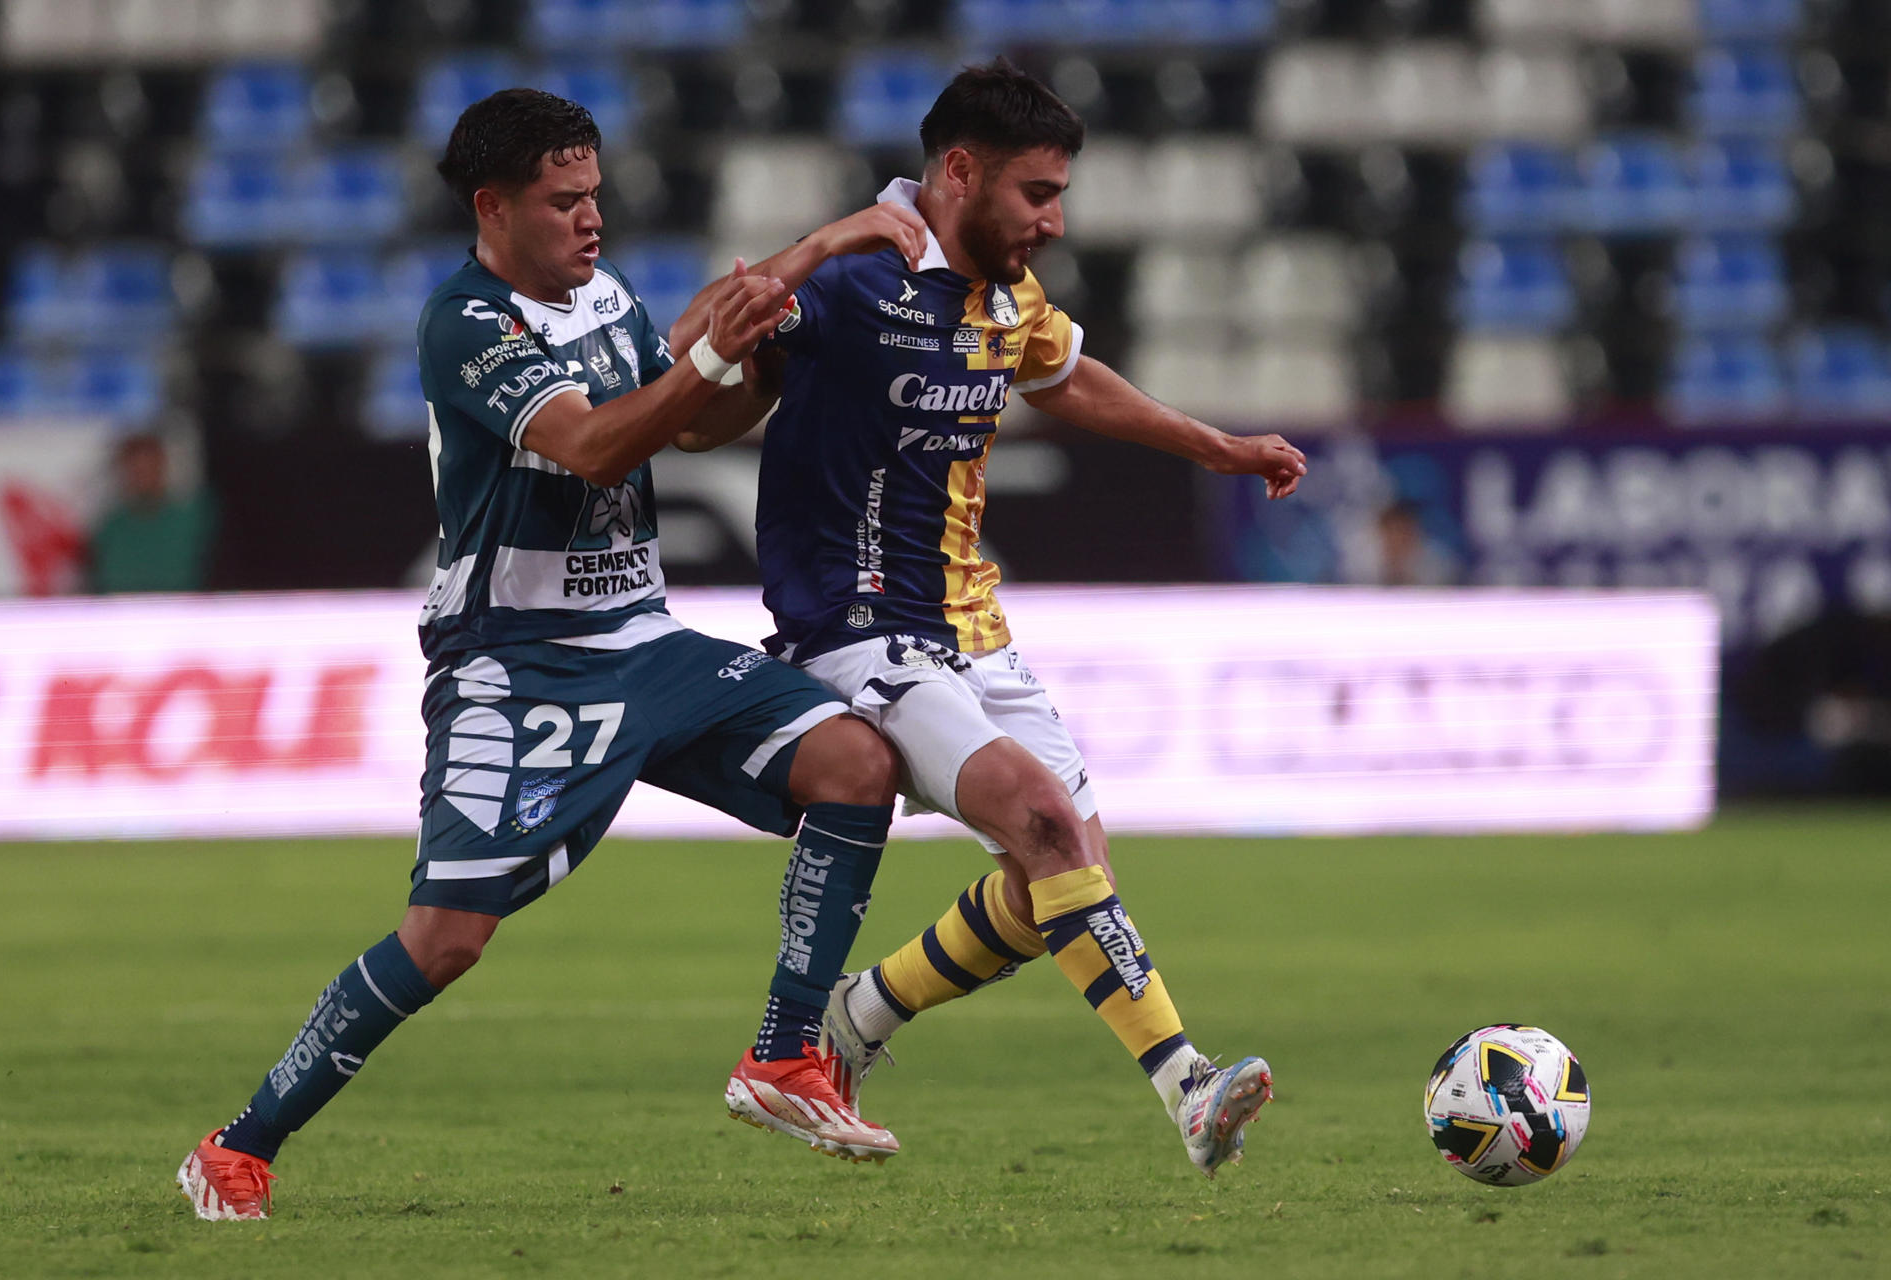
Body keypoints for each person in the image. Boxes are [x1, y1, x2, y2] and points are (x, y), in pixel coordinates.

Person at [176, 88, 931, 1221]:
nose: (591, 218)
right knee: (447, 939)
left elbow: (685, 419)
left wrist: (766, 346)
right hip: (518, 658)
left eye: (594, 195)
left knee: (856, 765)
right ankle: (239, 1142)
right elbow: (590, 444)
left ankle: (782, 1054)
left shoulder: (607, 296)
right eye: (563, 200)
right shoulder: (466, 323)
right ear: (494, 207)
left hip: (641, 639)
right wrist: (718, 352)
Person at [670, 60, 1308, 1177]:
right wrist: (816, 245)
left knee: (1060, 881)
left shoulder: (1007, 298)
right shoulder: (860, 276)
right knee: (1051, 828)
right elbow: (687, 358)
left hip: (974, 628)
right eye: (1035, 193)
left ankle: (857, 1019)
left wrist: (1224, 446)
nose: (1053, 220)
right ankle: (1190, 1089)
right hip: (855, 628)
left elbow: (1072, 378)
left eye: (1060, 194)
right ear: (958, 172)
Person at [87, 432, 215, 593]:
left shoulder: (192, 520)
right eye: (136, 470)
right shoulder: (110, 528)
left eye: (149, 467)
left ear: (162, 466)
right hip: (122, 612)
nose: (143, 476)